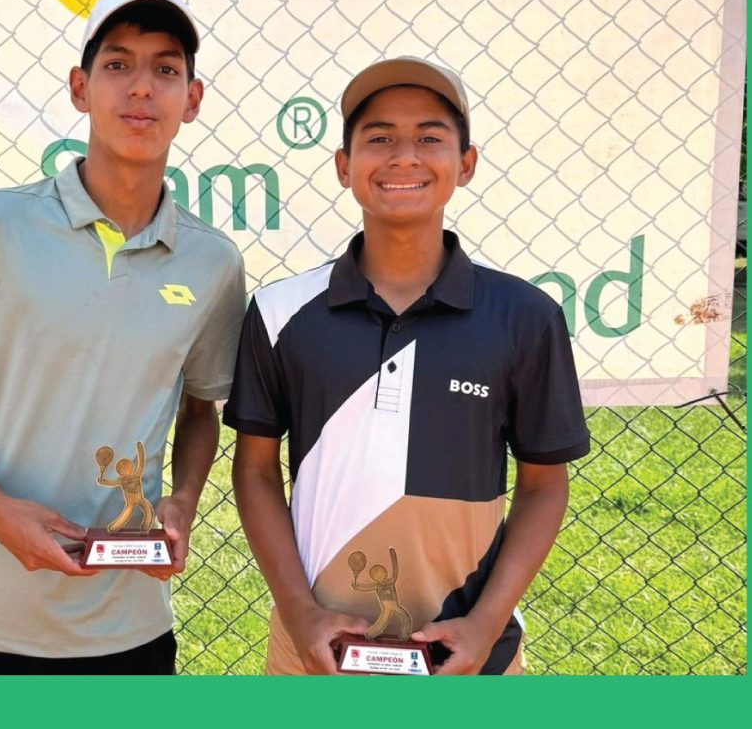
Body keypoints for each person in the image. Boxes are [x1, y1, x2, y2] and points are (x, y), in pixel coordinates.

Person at [0, 0, 246, 675]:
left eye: (165, 68)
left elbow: (200, 410)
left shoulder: (213, 261)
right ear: (80, 88)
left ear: (192, 99)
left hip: (129, 628)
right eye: (117, 64)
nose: (141, 87)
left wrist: (182, 501)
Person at [224, 56, 590, 675]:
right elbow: (255, 472)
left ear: (465, 164)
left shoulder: (525, 317)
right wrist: (299, 612)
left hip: (472, 656)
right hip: (313, 654)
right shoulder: (280, 311)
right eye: (379, 138)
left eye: (429, 138)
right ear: (343, 166)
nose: (403, 157)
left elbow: (544, 486)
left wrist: (483, 625)